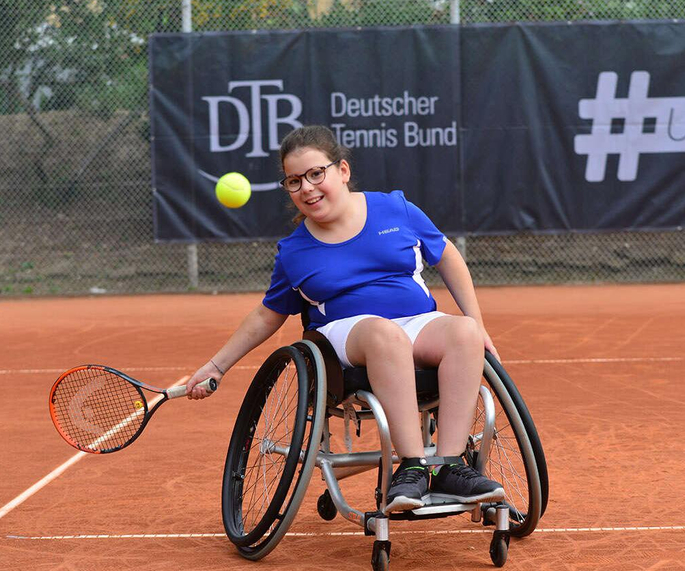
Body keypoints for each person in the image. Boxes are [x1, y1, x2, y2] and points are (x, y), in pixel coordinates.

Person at [185, 125, 504, 512]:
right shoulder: (294, 251)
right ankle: (413, 465)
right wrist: (218, 365)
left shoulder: (395, 208)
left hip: (415, 322)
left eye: (316, 173)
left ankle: (448, 466)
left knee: (465, 333)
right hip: (345, 336)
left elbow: (447, 255)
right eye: (294, 181)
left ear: (343, 171)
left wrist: (478, 321)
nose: (307, 187)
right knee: (383, 334)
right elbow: (268, 314)